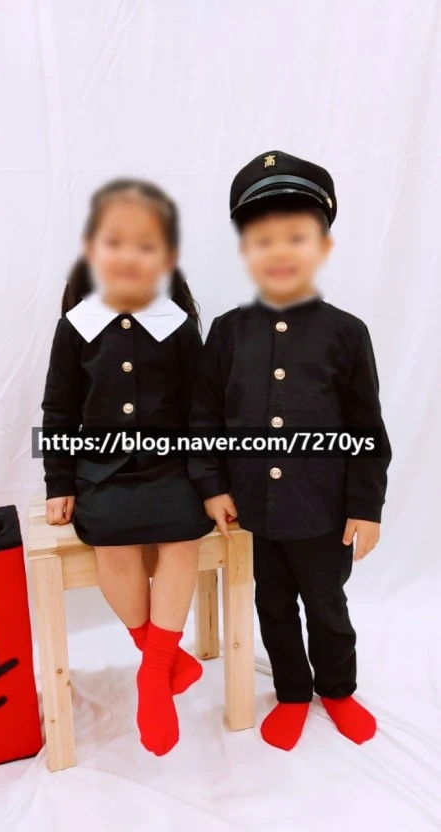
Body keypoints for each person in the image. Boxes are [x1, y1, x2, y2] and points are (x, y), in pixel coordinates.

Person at [189, 150, 392, 751]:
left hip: (322, 511)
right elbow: (204, 419)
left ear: (323, 247)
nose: (279, 251)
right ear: (245, 251)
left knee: (326, 606)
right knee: (273, 607)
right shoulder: (226, 332)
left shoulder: (347, 333)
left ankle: (338, 688)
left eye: (296, 237)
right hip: (253, 510)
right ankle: (293, 693)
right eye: (262, 240)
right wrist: (212, 486)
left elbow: (367, 429)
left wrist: (366, 507)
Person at [41, 178, 214, 756]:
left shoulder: (177, 326)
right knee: (111, 540)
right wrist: (59, 482)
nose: (129, 257)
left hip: (173, 467)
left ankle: (152, 673)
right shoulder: (76, 327)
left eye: (146, 246)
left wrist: (208, 481)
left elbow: (201, 410)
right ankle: (163, 660)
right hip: (101, 470)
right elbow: (59, 411)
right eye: (115, 243)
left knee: (182, 538)